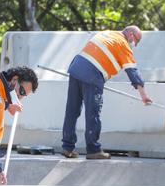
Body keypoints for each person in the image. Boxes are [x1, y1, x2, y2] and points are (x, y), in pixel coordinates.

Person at [61, 25, 152, 160]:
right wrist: (144, 95)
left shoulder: (107, 33)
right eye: (135, 41)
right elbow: (132, 71)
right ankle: (93, 150)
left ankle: (67, 147)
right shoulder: (122, 43)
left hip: (76, 68)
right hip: (92, 74)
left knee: (72, 110)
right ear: (131, 35)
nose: (134, 45)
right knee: (93, 112)